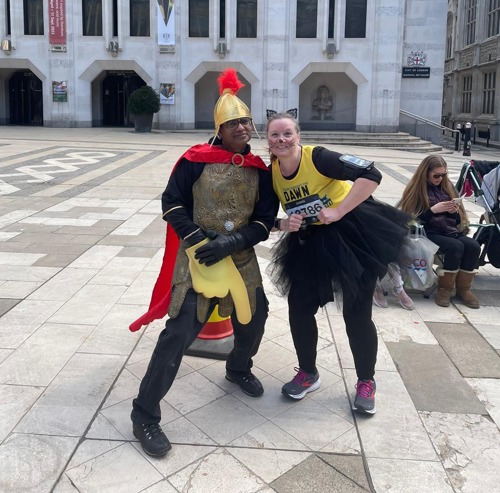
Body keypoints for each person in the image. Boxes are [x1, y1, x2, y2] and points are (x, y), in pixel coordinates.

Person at [128, 68, 277, 457]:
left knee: (255, 317)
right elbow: (171, 203)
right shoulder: (194, 160)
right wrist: (197, 238)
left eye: (246, 120)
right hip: (197, 257)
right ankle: (144, 413)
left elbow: (264, 220)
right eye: (234, 123)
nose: (243, 127)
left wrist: (235, 240)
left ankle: (238, 367)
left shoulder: (261, 171)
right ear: (220, 129)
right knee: (179, 332)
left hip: (239, 256)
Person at [266, 112, 410, 415]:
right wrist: (283, 223)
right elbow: (263, 217)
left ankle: (366, 381)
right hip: (309, 242)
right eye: (275, 135)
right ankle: (308, 372)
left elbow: (371, 174)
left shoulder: (318, 157)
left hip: (352, 236)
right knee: (300, 306)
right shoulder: (272, 172)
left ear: (298, 136)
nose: (281, 140)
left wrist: (339, 211)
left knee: (356, 315)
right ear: (267, 140)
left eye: (287, 134)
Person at [398, 154, 481, 309]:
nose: (440, 178)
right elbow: (410, 222)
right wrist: (432, 211)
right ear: (426, 172)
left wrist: (454, 212)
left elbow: (457, 221)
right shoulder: (416, 190)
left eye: (443, 175)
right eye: (436, 175)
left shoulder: (447, 188)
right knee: (455, 247)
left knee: (473, 246)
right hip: (428, 233)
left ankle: (463, 289)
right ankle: (445, 289)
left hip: (450, 231)